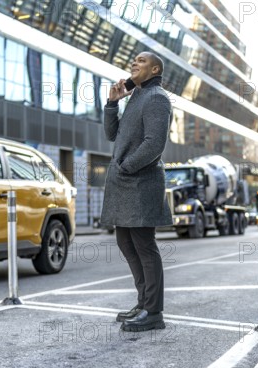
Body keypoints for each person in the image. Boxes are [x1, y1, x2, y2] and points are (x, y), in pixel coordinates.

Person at [100, 51, 173, 332]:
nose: (134, 63)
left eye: (141, 61)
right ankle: (143, 302)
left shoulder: (157, 98)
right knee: (126, 242)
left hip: (141, 183)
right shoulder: (135, 97)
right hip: (126, 182)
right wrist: (111, 103)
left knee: (144, 246)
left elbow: (154, 144)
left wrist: (126, 167)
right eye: (134, 60)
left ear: (155, 69)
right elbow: (112, 135)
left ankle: (154, 312)